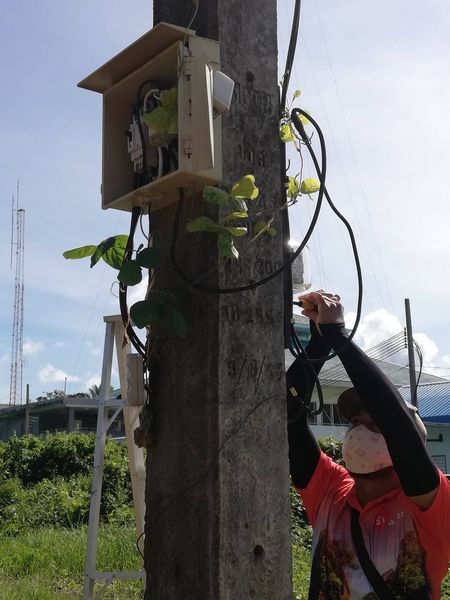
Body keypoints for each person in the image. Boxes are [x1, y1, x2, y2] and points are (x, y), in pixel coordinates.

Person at [287, 291, 450, 600]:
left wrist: (341, 339)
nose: (358, 425)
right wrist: (320, 341)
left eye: (373, 420)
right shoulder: (330, 492)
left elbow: (399, 426)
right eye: (354, 421)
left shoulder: (429, 504)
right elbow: (288, 416)